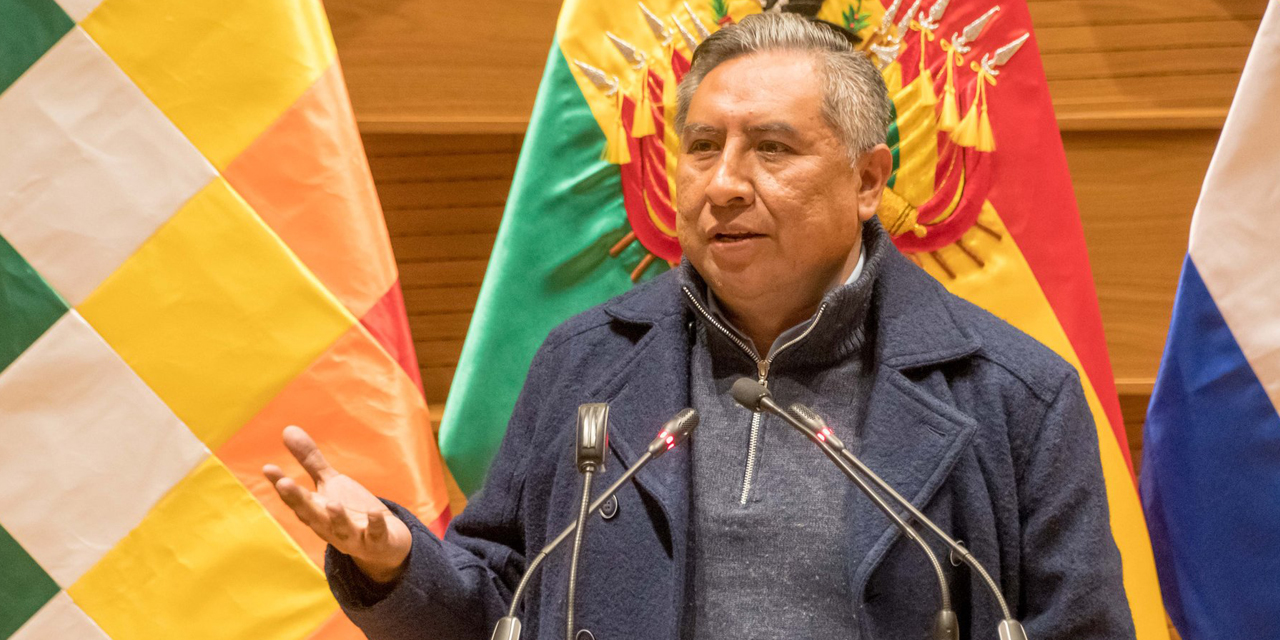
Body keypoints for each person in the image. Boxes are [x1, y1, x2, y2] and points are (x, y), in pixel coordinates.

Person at [264, 12, 1136, 640]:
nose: (723, 183)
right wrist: (393, 563)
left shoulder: (1013, 392)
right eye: (702, 146)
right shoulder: (586, 364)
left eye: (772, 149)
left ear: (869, 181)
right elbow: (501, 603)